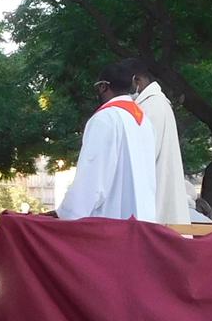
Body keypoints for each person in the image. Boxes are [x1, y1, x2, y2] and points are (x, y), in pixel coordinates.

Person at [56, 60, 159, 221]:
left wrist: (66, 214)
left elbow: (91, 179)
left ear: (103, 86)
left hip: (111, 221)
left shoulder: (106, 118)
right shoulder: (144, 120)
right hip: (144, 221)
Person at [132, 64, 192, 226]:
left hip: (157, 211)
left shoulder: (151, 106)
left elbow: (143, 159)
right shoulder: (155, 104)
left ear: (138, 80)